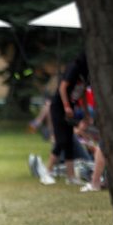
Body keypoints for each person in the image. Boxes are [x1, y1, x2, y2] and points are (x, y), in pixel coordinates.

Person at [41, 52, 90, 185]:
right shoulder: (74, 68)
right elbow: (63, 87)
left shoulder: (87, 73)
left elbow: (83, 93)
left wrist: (86, 112)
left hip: (70, 109)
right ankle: (47, 173)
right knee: (61, 140)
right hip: (58, 107)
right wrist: (67, 106)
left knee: (69, 141)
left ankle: (71, 176)